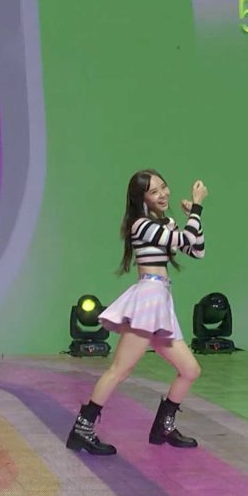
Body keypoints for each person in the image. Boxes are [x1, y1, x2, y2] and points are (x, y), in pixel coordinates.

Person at [66, 169, 208, 456]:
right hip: (148, 300)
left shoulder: (164, 224)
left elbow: (197, 250)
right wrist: (197, 207)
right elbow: (184, 240)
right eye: (154, 191)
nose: (163, 194)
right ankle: (82, 428)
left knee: (190, 370)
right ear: (141, 198)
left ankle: (163, 427)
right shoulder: (140, 225)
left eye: (163, 187)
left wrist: (192, 217)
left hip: (161, 300)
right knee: (120, 369)